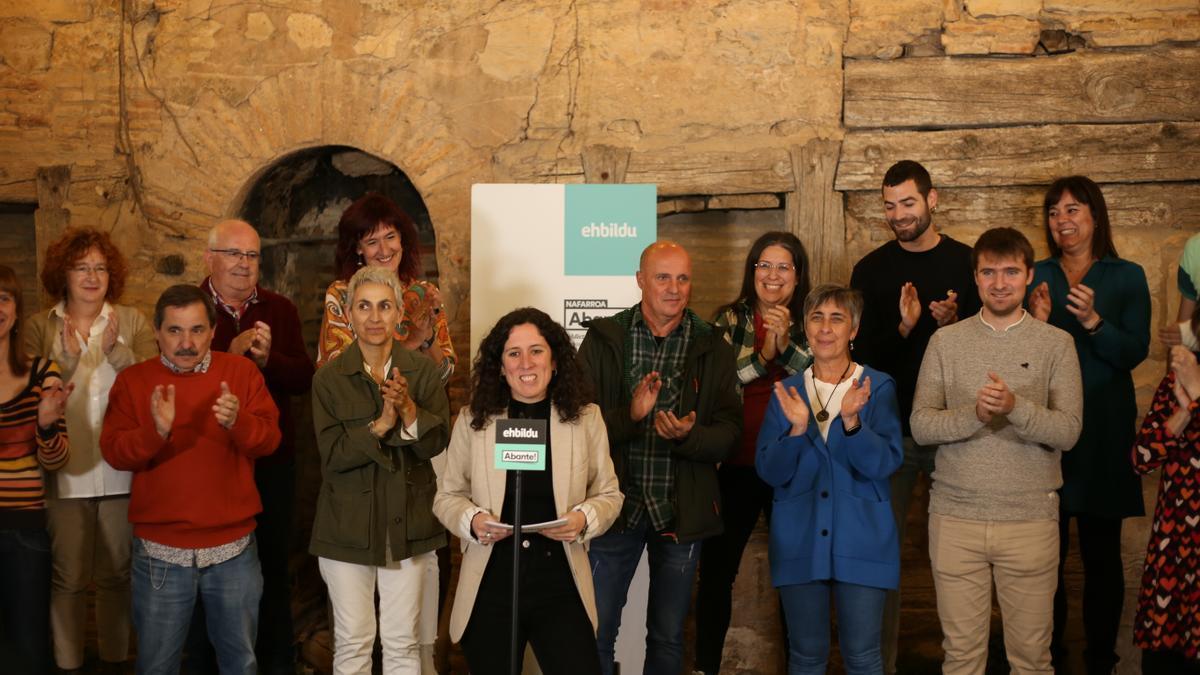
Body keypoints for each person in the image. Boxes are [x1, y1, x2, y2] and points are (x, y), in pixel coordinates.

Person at [911, 227, 1083, 675]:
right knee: (962, 659)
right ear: (976, 277)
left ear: (1029, 276)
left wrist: (1016, 408)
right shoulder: (945, 342)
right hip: (954, 520)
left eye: (1011, 272)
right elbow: (921, 424)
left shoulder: (1056, 344)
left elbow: (1067, 431)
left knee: (1031, 661)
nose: (1000, 282)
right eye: (989, 272)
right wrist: (976, 415)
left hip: (1030, 520)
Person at [577, 240, 741, 675]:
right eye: (663, 277)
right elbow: (576, 426)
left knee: (668, 638)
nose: (674, 288)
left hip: (681, 513)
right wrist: (630, 417)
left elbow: (729, 434)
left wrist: (691, 437)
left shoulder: (713, 346)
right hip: (616, 510)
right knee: (595, 631)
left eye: (683, 278)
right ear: (640, 281)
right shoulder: (603, 338)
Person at [100, 285, 281, 675]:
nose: (186, 343)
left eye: (197, 330)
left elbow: (270, 441)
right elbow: (114, 452)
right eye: (175, 331)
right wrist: (156, 432)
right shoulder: (133, 381)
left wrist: (238, 422)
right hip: (161, 555)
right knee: (156, 665)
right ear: (157, 331)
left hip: (233, 552)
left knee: (241, 663)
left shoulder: (241, 373)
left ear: (213, 331)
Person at [433, 307, 623, 674]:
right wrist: (472, 521)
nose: (525, 363)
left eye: (536, 350)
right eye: (513, 353)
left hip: (561, 580)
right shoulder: (475, 420)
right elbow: (447, 496)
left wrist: (584, 518)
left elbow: (610, 494)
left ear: (554, 361)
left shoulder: (587, 418)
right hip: (493, 580)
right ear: (500, 367)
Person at [848, 159, 979, 674]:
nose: (899, 214)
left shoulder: (968, 264)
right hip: (889, 435)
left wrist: (955, 325)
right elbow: (858, 360)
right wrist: (905, 329)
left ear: (932, 200)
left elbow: (987, 351)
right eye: (889, 204)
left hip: (956, 436)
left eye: (908, 203)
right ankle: (879, 666)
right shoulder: (870, 270)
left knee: (961, 560)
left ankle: (962, 665)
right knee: (882, 560)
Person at [177, 219, 315, 674]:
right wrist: (230, 357)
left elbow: (302, 378)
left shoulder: (280, 308)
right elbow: (178, 379)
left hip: (269, 460)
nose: (244, 264)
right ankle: (210, 665)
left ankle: (275, 663)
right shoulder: (189, 312)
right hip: (209, 463)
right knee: (207, 568)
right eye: (234, 254)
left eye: (252, 255)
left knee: (272, 565)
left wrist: (267, 360)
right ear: (209, 258)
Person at [1026, 175, 1150, 673]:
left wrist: (1095, 322)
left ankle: (1101, 661)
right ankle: (1046, 659)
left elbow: (1135, 352)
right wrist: (1035, 325)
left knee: (1101, 558)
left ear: (1095, 216)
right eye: (1055, 212)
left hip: (1103, 432)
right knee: (1042, 560)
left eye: (1073, 209)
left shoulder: (1126, 275)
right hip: (1046, 435)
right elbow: (1015, 353)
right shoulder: (1036, 275)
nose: (1063, 221)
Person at [23, 228, 155, 673]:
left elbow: (154, 385)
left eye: (100, 267)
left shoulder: (132, 320)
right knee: (69, 578)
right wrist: (67, 358)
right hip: (64, 472)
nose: (92, 275)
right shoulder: (39, 326)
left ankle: (117, 662)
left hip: (122, 471)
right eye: (82, 267)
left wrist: (118, 352)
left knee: (119, 574)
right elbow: (28, 395)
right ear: (64, 273)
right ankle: (69, 665)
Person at [309, 265, 450, 675]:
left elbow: (437, 442)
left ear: (398, 314)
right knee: (353, 644)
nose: (374, 317)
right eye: (364, 307)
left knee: (402, 644)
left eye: (384, 306)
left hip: (408, 525)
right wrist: (380, 426)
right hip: (345, 529)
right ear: (349, 314)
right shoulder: (329, 380)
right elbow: (332, 457)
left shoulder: (423, 372)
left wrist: (408, 411)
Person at [756, 284, 903, 675]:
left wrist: (852, 423)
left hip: (864, 542)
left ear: (853, 330)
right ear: (804, 328)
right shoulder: (786, 392)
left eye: (837, 318)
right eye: (816, 318)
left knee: (864, 657)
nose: (825, 328)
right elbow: (770, 470)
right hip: (798, 541)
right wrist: (796, 430)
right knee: (805, 657)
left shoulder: (877, 387)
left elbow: (886, 461)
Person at [695, 231, 812, 674]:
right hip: (736, 465)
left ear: (797, 276)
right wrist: (765, 356)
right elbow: (722, 383)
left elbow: (822, 378)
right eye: (764, 265)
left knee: (796, 576)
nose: (773, 275)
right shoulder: (728, 319)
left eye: (783, 266)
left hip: (793, 467)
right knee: (717, 575)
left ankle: (801, 666)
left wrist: (786, 348)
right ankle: (705, 666)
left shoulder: (811, 319)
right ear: (753, 271)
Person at [0, 264, 71, 675]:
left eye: (3, 298)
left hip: (25, 532)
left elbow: (57, 460)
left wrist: (45, 424)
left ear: (15, 309)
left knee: (28, 652)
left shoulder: (44, 372)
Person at [317, 192, 455, 378]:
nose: (384, 250)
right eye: (372, 242)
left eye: (390, 237)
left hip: (420, 405)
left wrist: (428, 336)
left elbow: (444, 376)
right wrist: (412, 342)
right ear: (358, 248)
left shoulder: (424, 293)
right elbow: (340, 374)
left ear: (401, 239)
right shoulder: (342, 294)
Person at [1130, 343, 1200, 674]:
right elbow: (1141, 457)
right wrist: (1184, 411)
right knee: (1165, 661)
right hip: (1175, 547)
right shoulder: (1177, 379)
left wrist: (1197, 393)